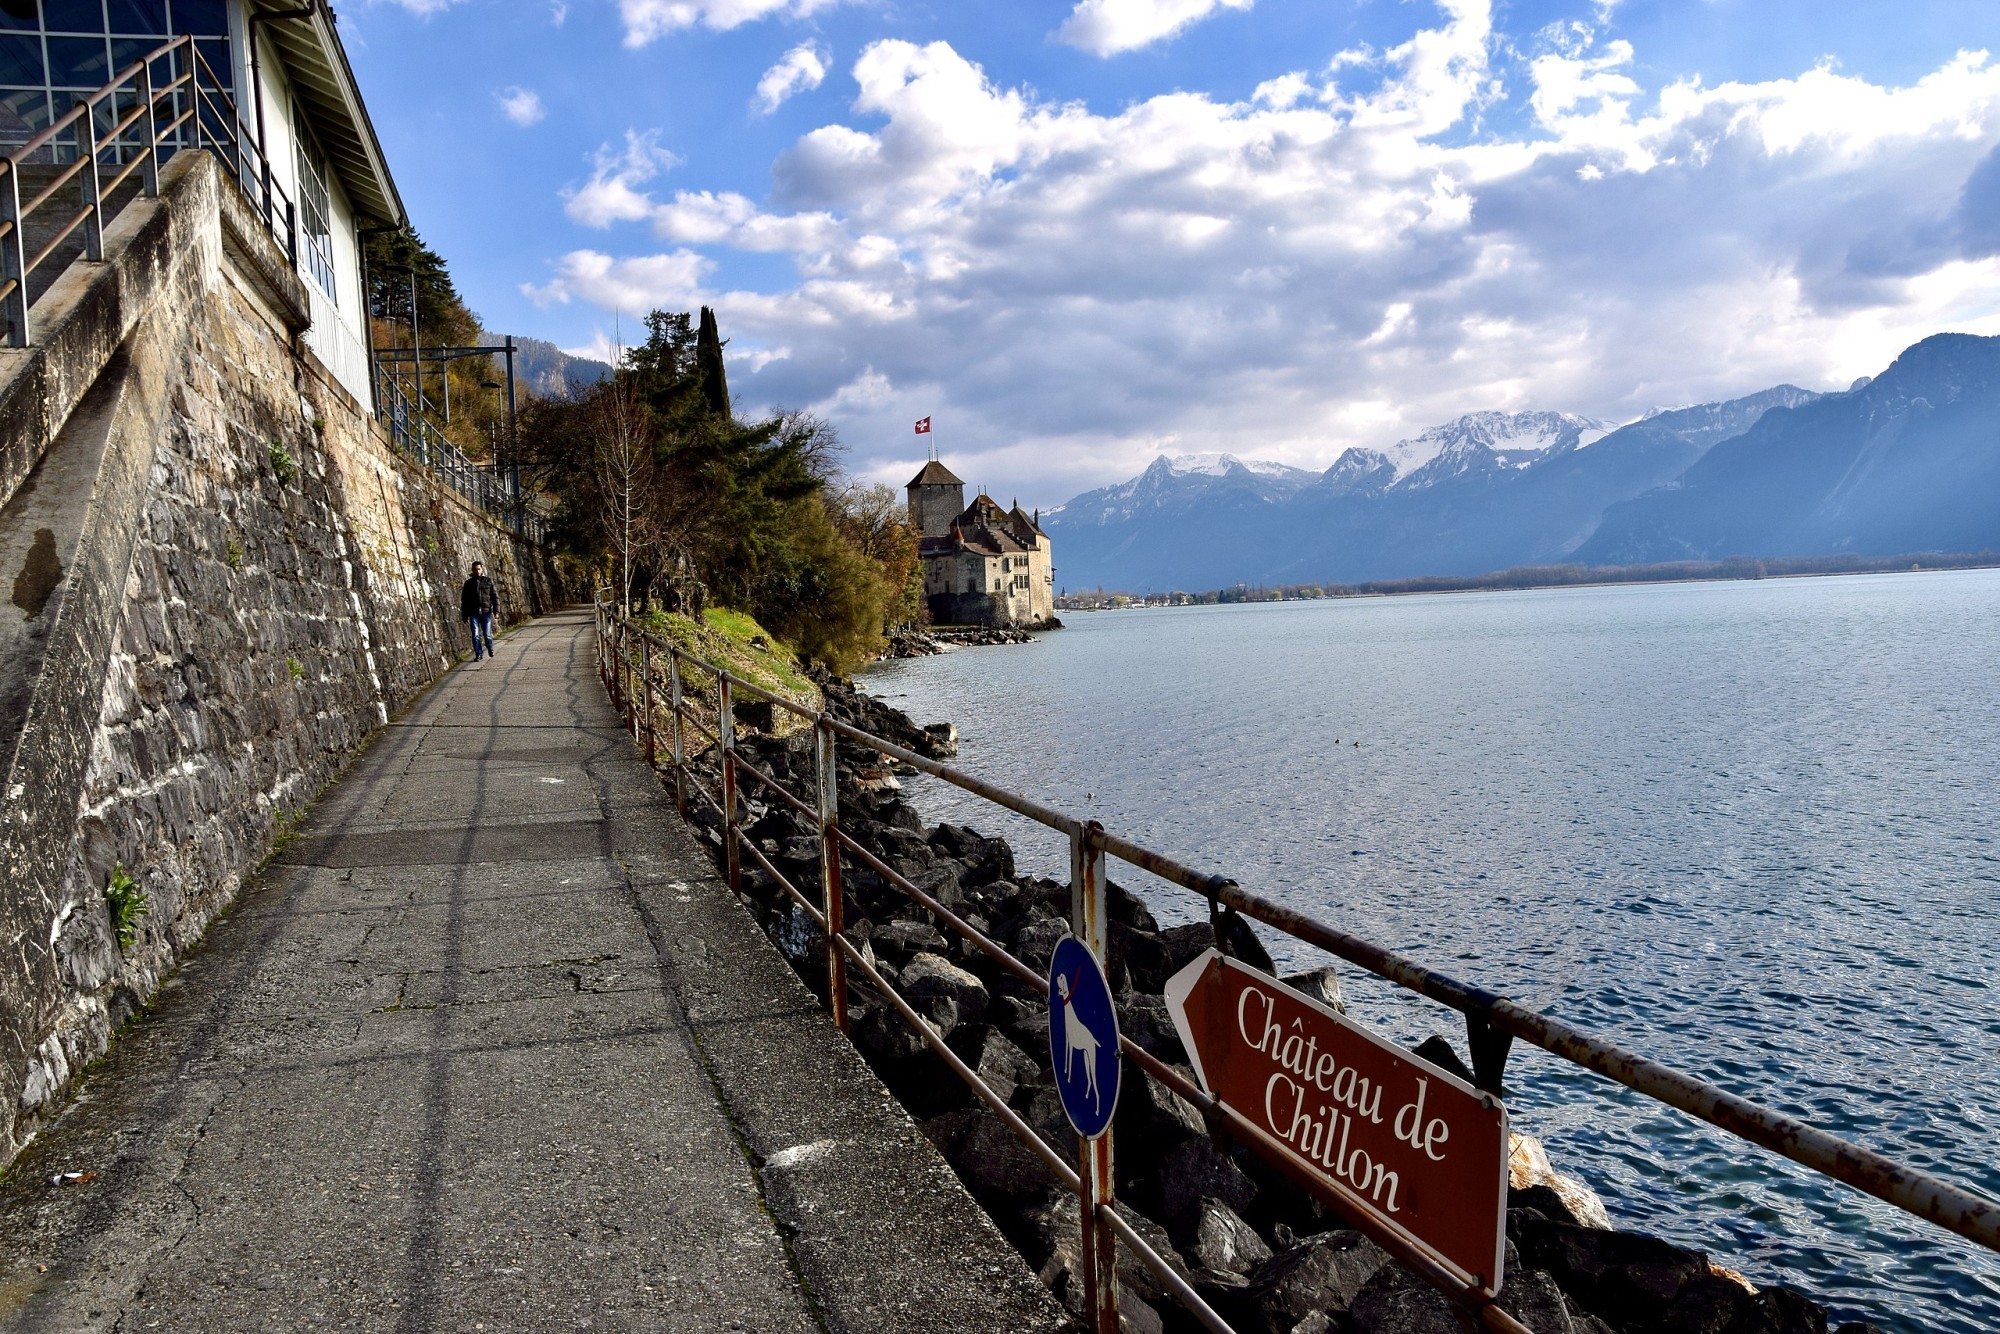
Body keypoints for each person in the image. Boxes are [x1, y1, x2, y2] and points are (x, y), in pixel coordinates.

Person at [460, 560, 499, 661]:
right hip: (474, 612)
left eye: (479, 569)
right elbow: (464, 600)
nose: (477, 571)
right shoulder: (468, 584)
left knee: (487, 634)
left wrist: (496, 611)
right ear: (472, 570)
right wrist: (464, 615)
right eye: (475, 569)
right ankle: (478, 654)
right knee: (476, 635)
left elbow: (495, 597)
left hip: (486, 612)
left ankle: (490, 648)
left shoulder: (488, 581)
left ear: (482, 569)